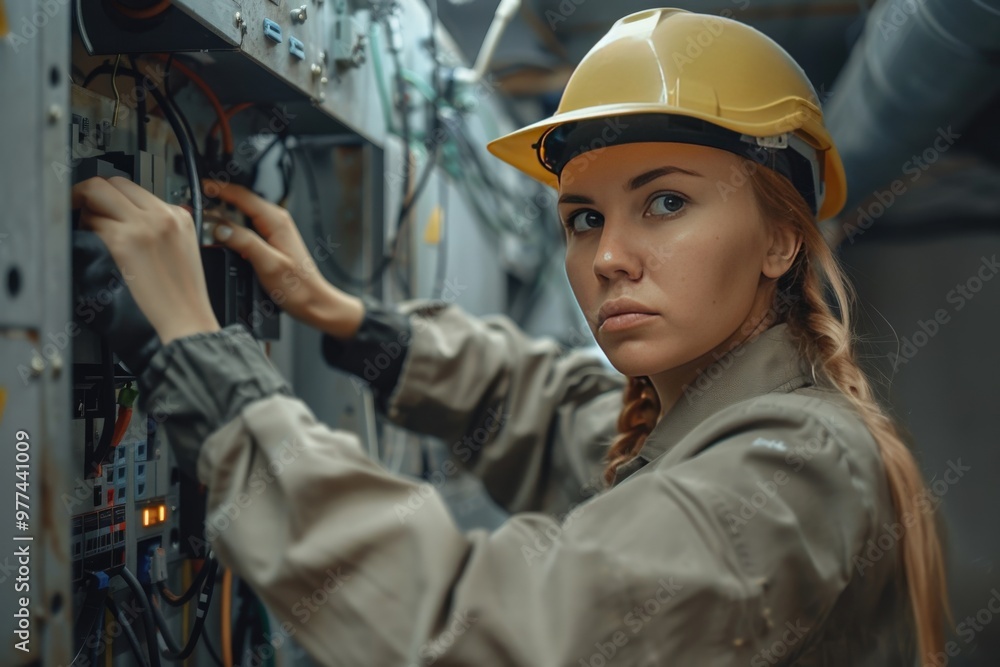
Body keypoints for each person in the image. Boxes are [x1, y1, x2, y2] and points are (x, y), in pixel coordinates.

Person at [71, 8, 948, 666]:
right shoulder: (718, 416)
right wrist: (349, 321)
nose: (608, 257)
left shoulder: (796, 470)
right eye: (581, 217)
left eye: (666, 202)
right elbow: (551, 408)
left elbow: (503, 626)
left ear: (781, 238)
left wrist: (201, 361)